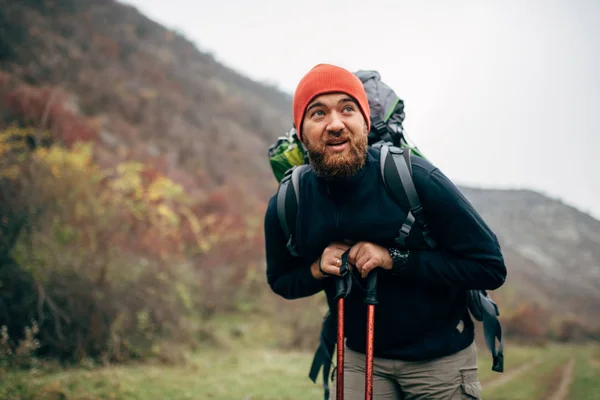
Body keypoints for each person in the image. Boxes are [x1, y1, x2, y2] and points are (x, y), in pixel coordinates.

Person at [263, 63, 507, 399]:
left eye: (347, 109)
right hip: (358, 358)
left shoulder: (414, 177)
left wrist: (395, 258)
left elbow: (490, 267)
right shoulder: (291, 200)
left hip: (440, 361)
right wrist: (318, 268)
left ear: (365, 121)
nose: (335, 124)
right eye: (318, 113)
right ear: (301, 131)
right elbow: (281, 281)